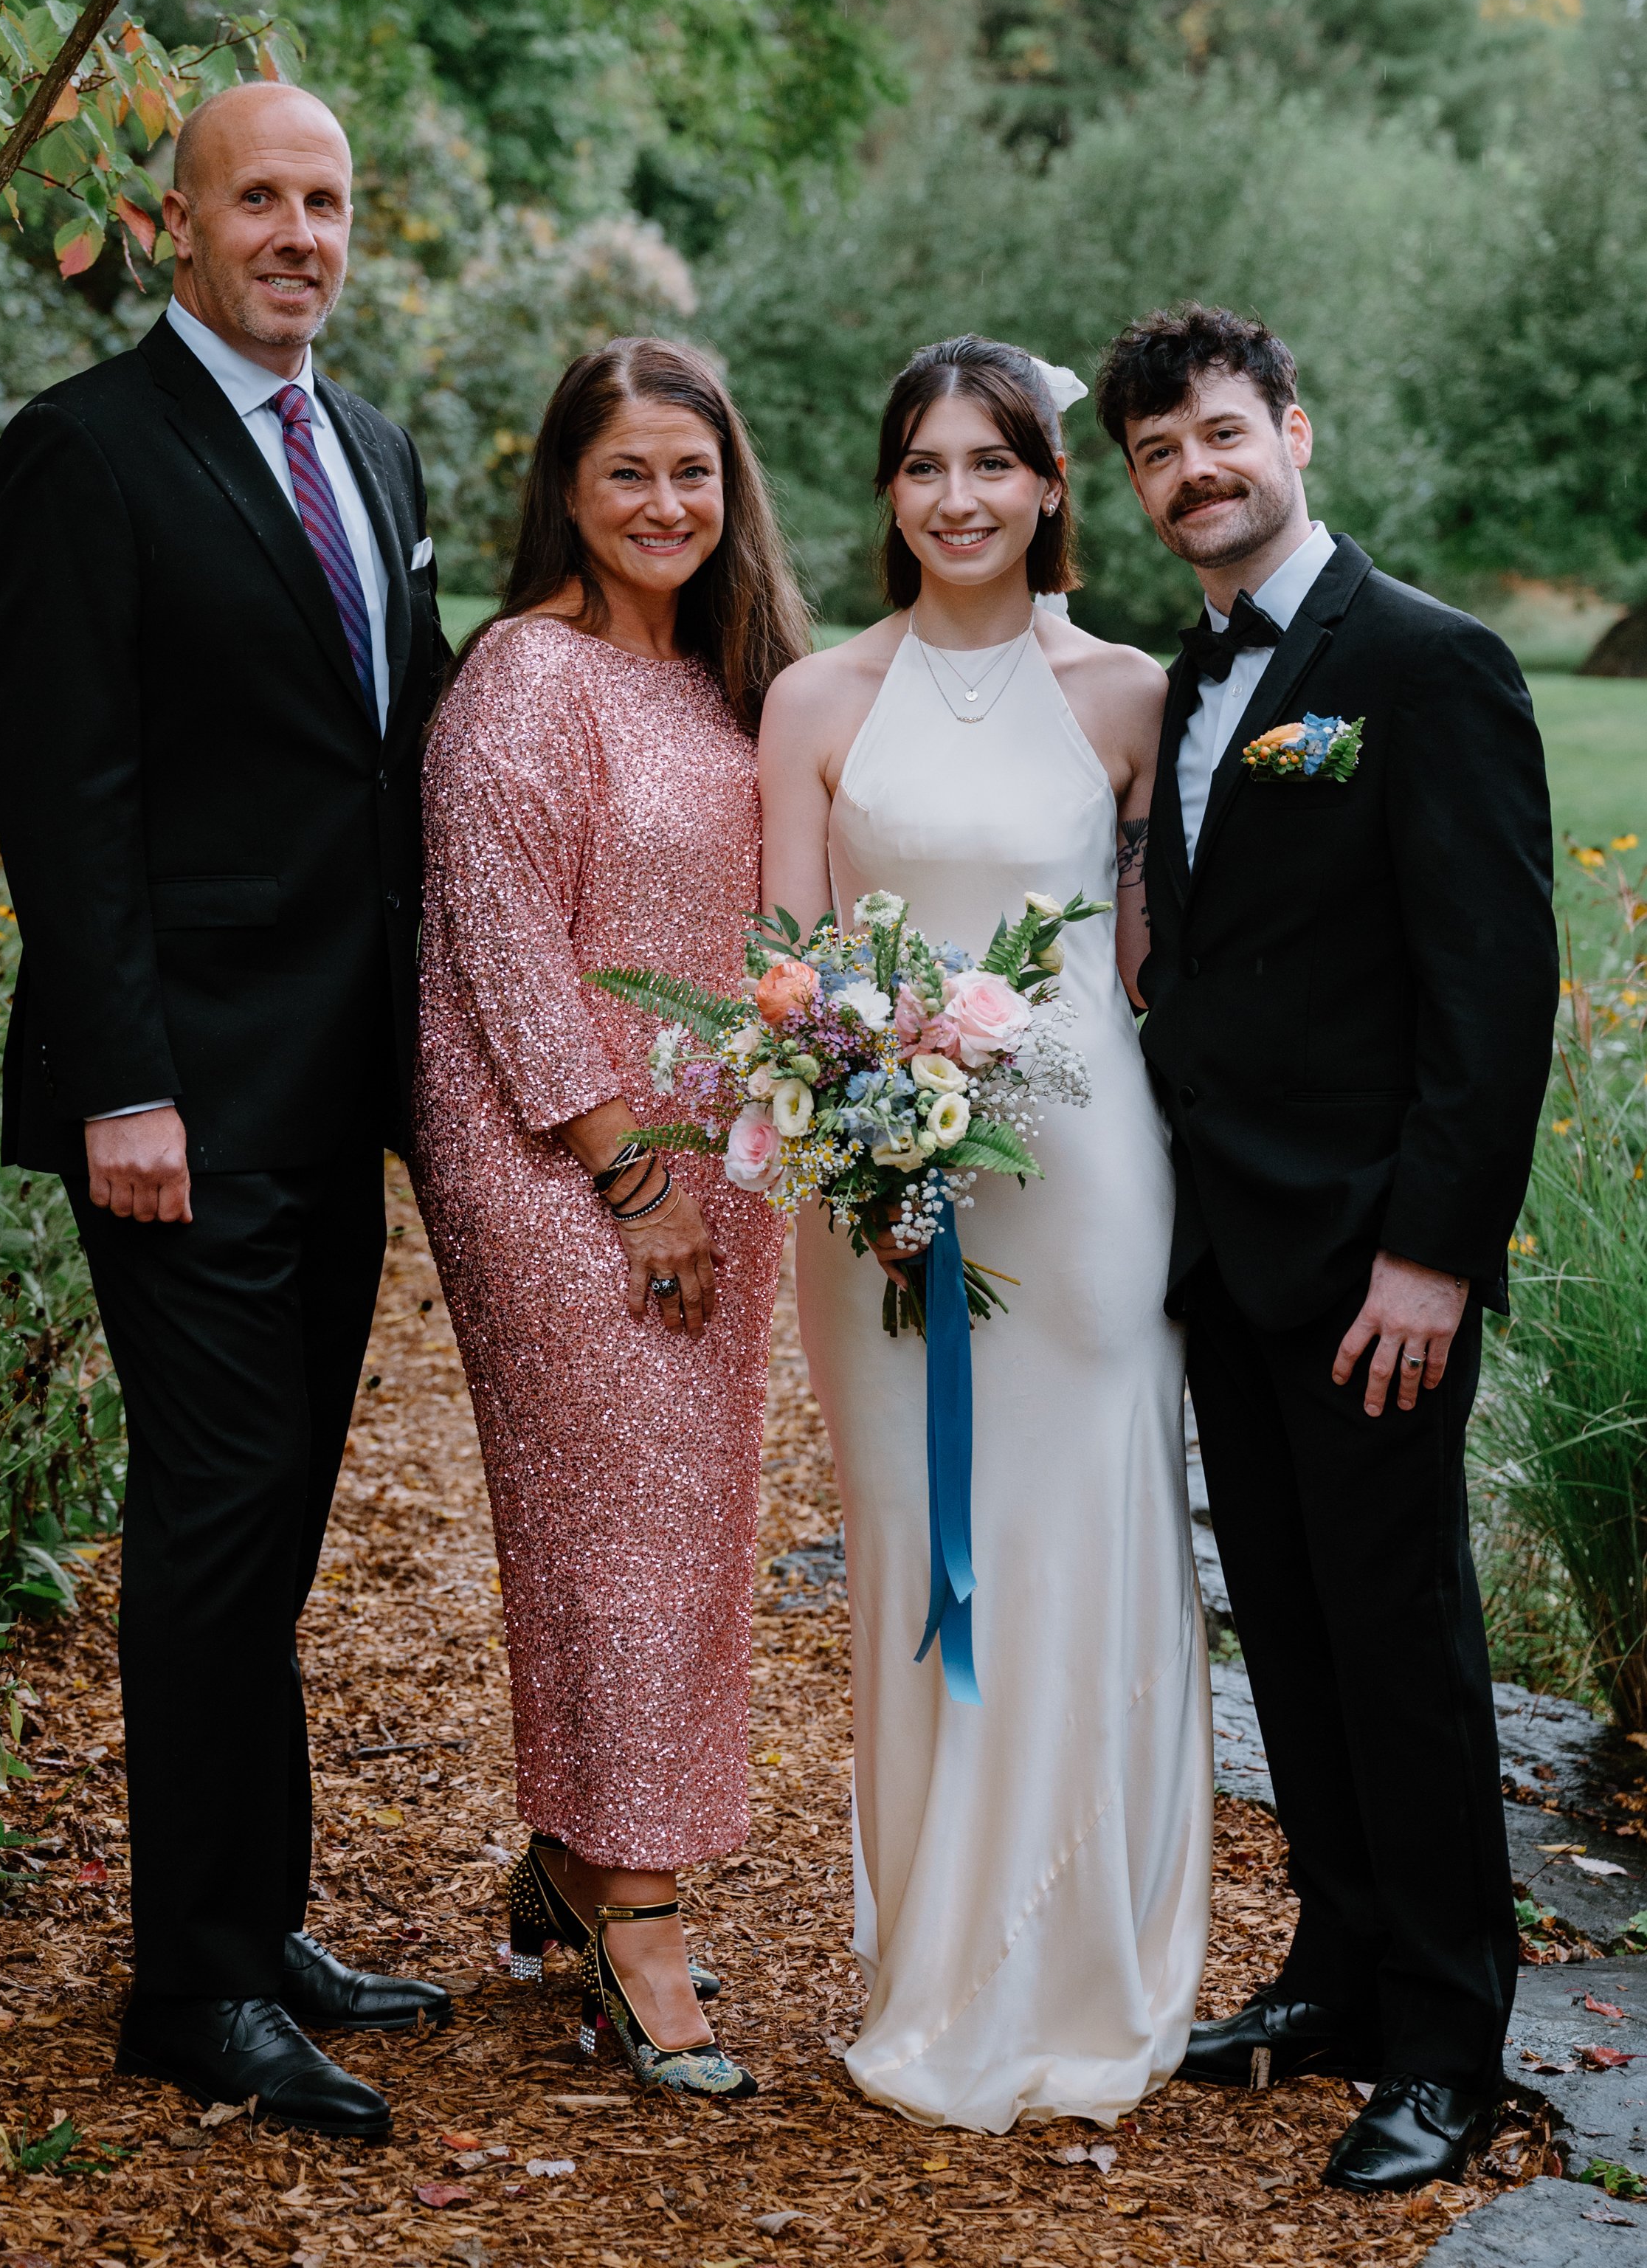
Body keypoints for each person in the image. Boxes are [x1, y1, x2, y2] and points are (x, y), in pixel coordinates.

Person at [0, 81, 452, 2138]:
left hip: (333, 1092)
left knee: (276, 1519)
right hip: (175, 1108)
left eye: (325, 201)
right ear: (174, 224)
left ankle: (257, 1922)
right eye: (258, 197)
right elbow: (64, 797)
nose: (297, 234)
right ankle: (189, 1988)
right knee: (214, 1517)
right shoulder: (83, 451)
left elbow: (397, 751)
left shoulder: (373, 446)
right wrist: (125, 1086)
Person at [1097, 303, 1558, 2194]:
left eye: (1220, 432)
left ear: (1294, 431)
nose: (1192, 471)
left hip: (1374, 1267)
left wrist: (1432, 1256)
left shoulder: (1428, 666)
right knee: (1286, 1632)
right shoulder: (1187, 679)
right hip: (1224, 1250)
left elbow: (1492, 992)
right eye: (1156, 453)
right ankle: (1340, 1969)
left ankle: (1446, 2041)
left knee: (1400, 1643)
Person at [756, 335, 1212, 2134]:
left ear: (1048, 487)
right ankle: (936, 1968)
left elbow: (1157, 961)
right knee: (914, 1553)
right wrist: (861, 1156)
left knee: (1078, 1541)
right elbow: (785, 972)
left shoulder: (1128, 694)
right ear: (888, 491)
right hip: (878, 1201)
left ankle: (1085, 1966)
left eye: (992, 464)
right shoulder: (816, 700)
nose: (958, 498)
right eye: (925, 465)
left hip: (1083, 1182)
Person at [413, 337, 809, 2099]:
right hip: (559, 1158)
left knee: (677, 1527)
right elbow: (501, 951)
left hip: (719, 1166)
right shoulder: (525, 675)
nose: (665, 504)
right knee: (621, 1532)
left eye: (692, 473)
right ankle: (637, 1920)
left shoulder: (733, 678)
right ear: (567, 490)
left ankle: (577, 1853)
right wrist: (629, 1176)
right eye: (628, 473)